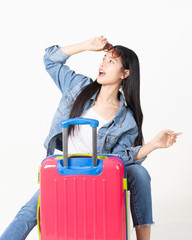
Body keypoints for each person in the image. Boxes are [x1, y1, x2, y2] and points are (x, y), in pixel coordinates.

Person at [0, 36, 182, 240]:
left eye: (111, 61)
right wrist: (87, 45)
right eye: (103, 58)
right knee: (28, 212)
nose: (103, 63)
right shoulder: (78, 87)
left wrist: (153, 145)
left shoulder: (127, 120)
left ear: (125, 73)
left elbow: (118, 161)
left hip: (99, 175)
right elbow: (50, 60)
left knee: (139, 172)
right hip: (66, 171)